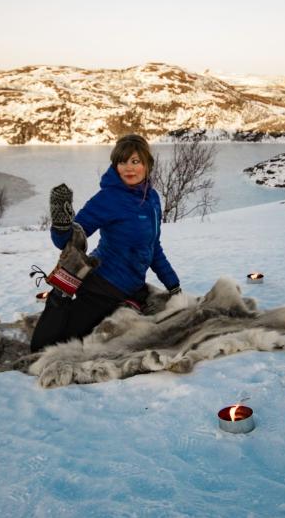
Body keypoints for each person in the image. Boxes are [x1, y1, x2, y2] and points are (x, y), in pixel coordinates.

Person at [30, 134, 181, 353]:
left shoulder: (152, 199)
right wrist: (62, 227)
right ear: (115, 165)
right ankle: (58, 300)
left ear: (147, 164)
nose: (128, 168)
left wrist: (173, 285)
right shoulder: (108, 198)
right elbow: (72, 241)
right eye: (122, 161)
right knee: (62, 344)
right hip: (102, 288)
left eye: (135, 161)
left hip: (132, 288)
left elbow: (153, 247)